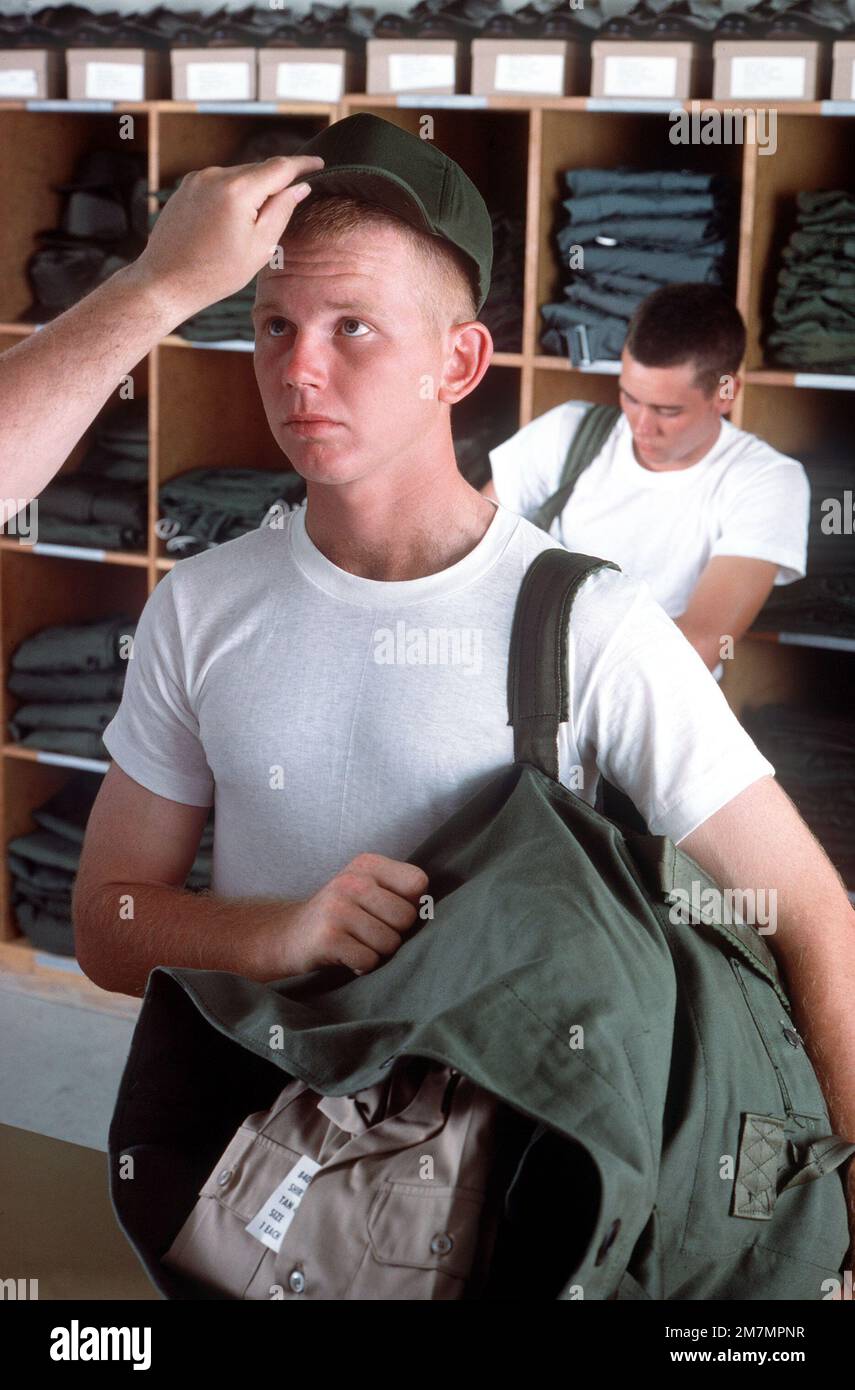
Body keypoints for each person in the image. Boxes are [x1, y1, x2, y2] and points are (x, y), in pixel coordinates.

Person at [0, 114, 850, 1267]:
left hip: (517, 1209)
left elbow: (809, 913)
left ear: (458, 362)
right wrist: (278, 933)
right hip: (266, 1194)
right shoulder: (201, 606)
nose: (300, 368)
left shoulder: (586, 625)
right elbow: (108, 921)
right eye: (273, 325)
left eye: (354, 327)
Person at [483, 285, 810, 678]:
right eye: (630, 398)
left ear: (726, 393)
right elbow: (471, 554)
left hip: (651, 713)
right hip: (524, 694)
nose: (641, 426)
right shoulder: (566, 433)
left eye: (667, 411)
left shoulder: (766, 481)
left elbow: (700, 645)